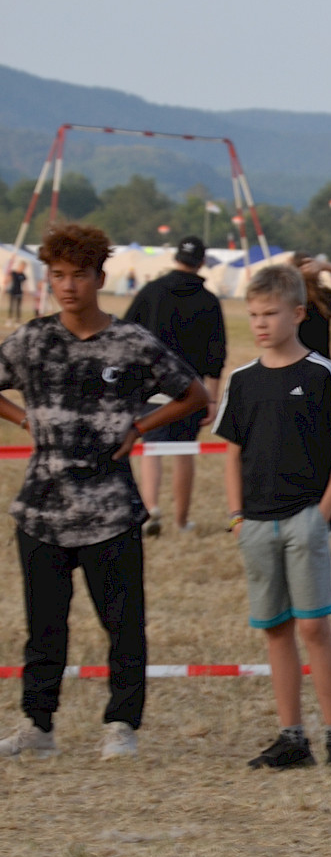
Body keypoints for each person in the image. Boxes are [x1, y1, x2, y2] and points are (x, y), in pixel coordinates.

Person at [0, 223, 207, 760]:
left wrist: (140, 426)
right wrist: (24, 418)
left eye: (79, 276)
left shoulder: (131, 343)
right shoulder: (31, 340)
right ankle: (37, 728)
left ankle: (120, 725)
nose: (68, 287)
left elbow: (194, 394)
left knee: (123, 627)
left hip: (111, 511)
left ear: (100, 277)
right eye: (59, 276)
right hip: (42, 511)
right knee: (44, 629)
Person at [214, 260, 331, 772]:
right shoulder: (241, 380)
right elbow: (231, 450)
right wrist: (237, 516)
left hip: (305, 521)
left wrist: (321, 514)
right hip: (255, 524)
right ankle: (290, 736)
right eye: (253, 313)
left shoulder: (322, 374)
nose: (260, 323)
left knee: (314, 628)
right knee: (275, 628)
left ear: (298, 313)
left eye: (270, 313)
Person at [125, 234, 226, 535]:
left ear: (175, 258)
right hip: (192, 390)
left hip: (152, 385)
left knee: (151, 446)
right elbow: (216, 353)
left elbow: (128, 330)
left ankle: (151, 508)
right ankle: (182, 521)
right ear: (202, 263)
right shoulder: (209, 300)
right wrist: (211, 398)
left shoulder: (152, 291)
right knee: (184, 451)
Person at [293, 254, 331, 361]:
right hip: (321, 363)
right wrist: (323, 266)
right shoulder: (325, 298)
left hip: (293, 362)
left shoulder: (286, 299)